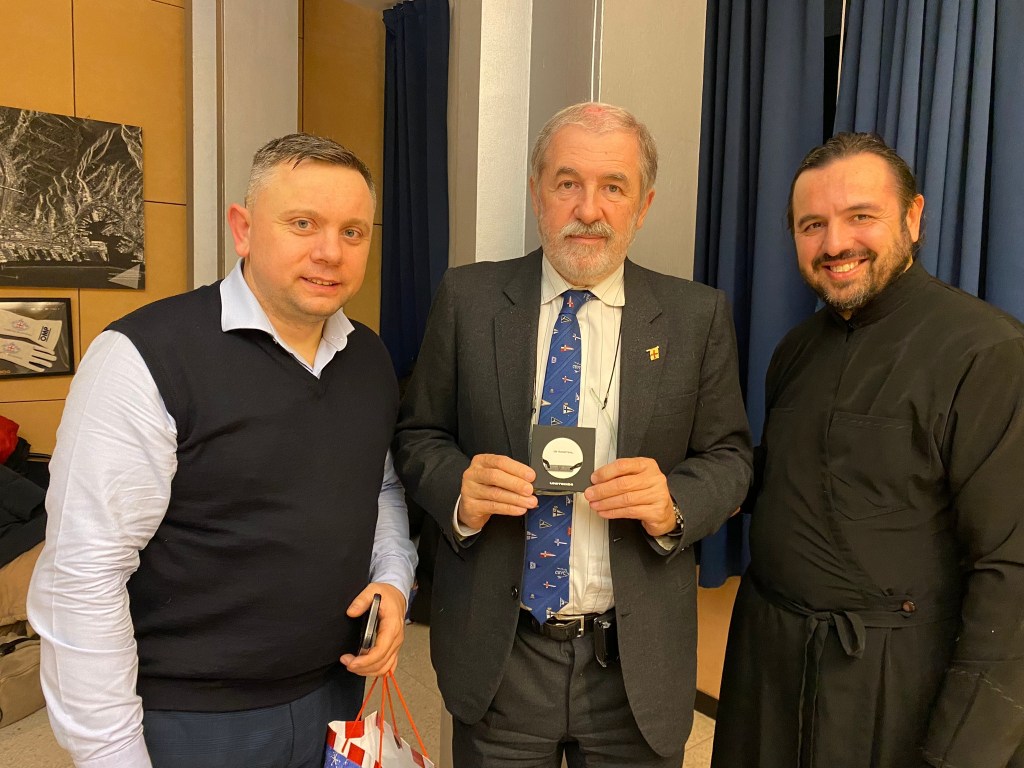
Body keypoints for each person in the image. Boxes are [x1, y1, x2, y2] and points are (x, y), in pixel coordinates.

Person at [28, 134, 417, 768]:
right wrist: (111, 754)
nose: (330, 252)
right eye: (303, 224)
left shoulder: (369, 358)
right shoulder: (143, 357)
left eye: (353, 232)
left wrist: (393, 581)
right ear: (243, 229)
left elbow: (380, 489)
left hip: (336, 694)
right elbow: (82, 575)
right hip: (192, 719)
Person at [393, 102, 752, 768]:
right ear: (537, 194)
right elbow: (419, 435)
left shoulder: (695, 315)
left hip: (635, 661)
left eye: (613, 186)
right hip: (502, 653)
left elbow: (731, 458)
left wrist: (673, 502)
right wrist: (460, 490)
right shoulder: (468, 300)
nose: (589, 209)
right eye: (567, 183)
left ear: (642, 205)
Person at [712, 133, 1024, 768]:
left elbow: (1011, 572)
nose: (835, 244)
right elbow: (787, 477)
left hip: (893, 686)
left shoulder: (987, 354)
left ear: (913, 217)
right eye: (812, 225)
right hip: (767, 669)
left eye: (860, 216)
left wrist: (961, 753)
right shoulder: (794, 351)